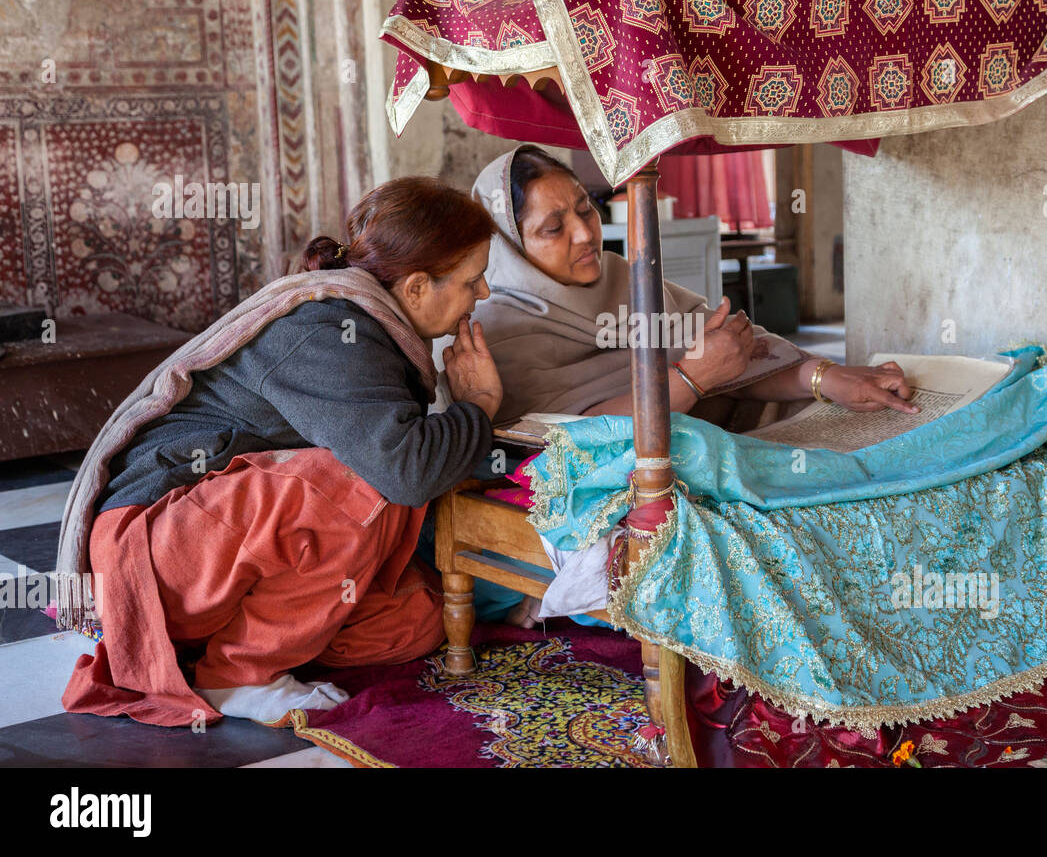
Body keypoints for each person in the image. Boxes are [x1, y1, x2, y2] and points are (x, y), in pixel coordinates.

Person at [61, 177, 505, 725]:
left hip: (215, 547)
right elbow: (404, 470)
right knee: (361, 484)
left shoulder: (372, 325)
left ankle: (212, 646)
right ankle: (238, 678)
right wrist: (479, 404)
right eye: (472, 280)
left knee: (416, 621)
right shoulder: (327, 330)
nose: (483, 294)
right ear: (415, 288)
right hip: (152, 546)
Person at [458, 145, 919, 624]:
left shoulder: (625, 281)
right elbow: (573, 435)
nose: (584, 233)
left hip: (675, 453)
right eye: (554, 229)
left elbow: (728, 346)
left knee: (825, 433)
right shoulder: (499, 326)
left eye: (585, 208)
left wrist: (823, 377)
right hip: (579, 490)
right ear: (508, 246)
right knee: (695, 447)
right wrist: (692, 379)